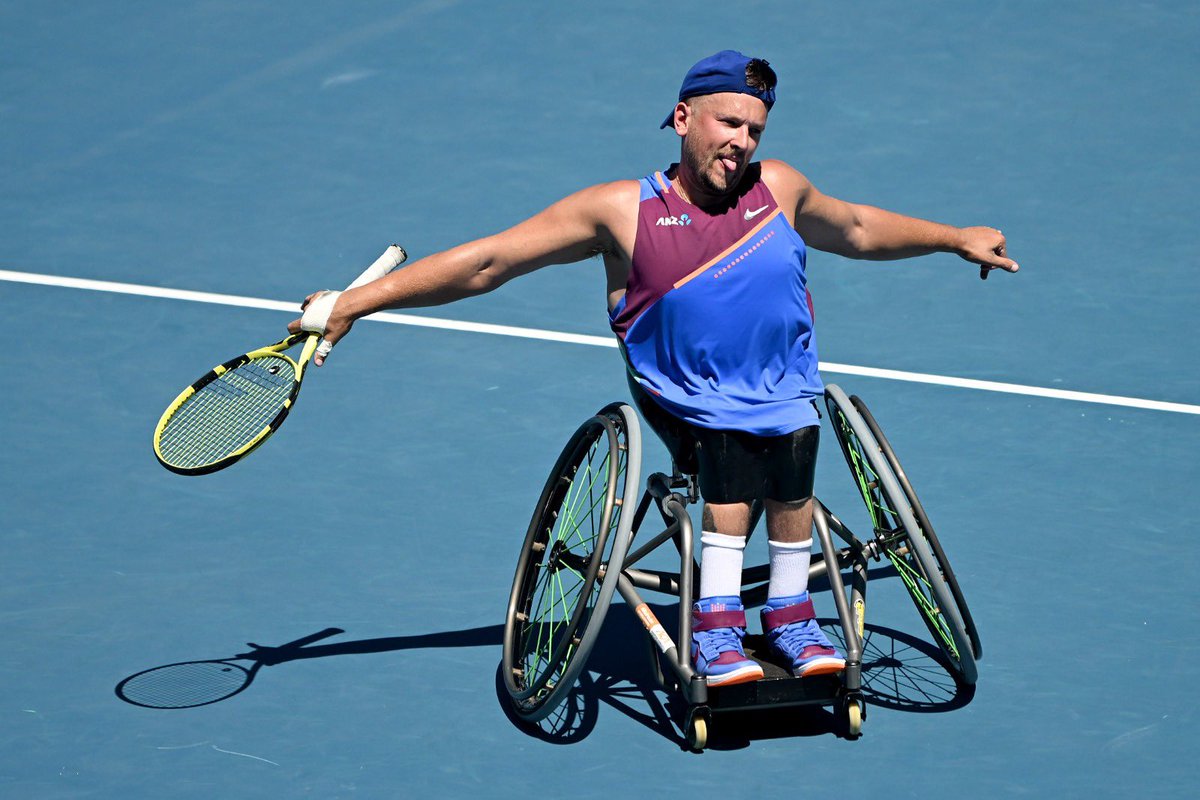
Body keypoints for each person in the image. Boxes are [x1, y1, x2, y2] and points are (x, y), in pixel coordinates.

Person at [289, 50, 1017, 687]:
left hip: (783, 388)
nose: (742, 141)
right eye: (728, 123)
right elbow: (489, 262)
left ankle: (793, 616)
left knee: (795, 440)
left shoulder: (781, 189)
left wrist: (955, 238)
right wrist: (358, 302)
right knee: (733, 458)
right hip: (685, 396)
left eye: (755, 129)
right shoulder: (620, 210)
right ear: (682, 118)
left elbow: (856, 228)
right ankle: (719, 627)